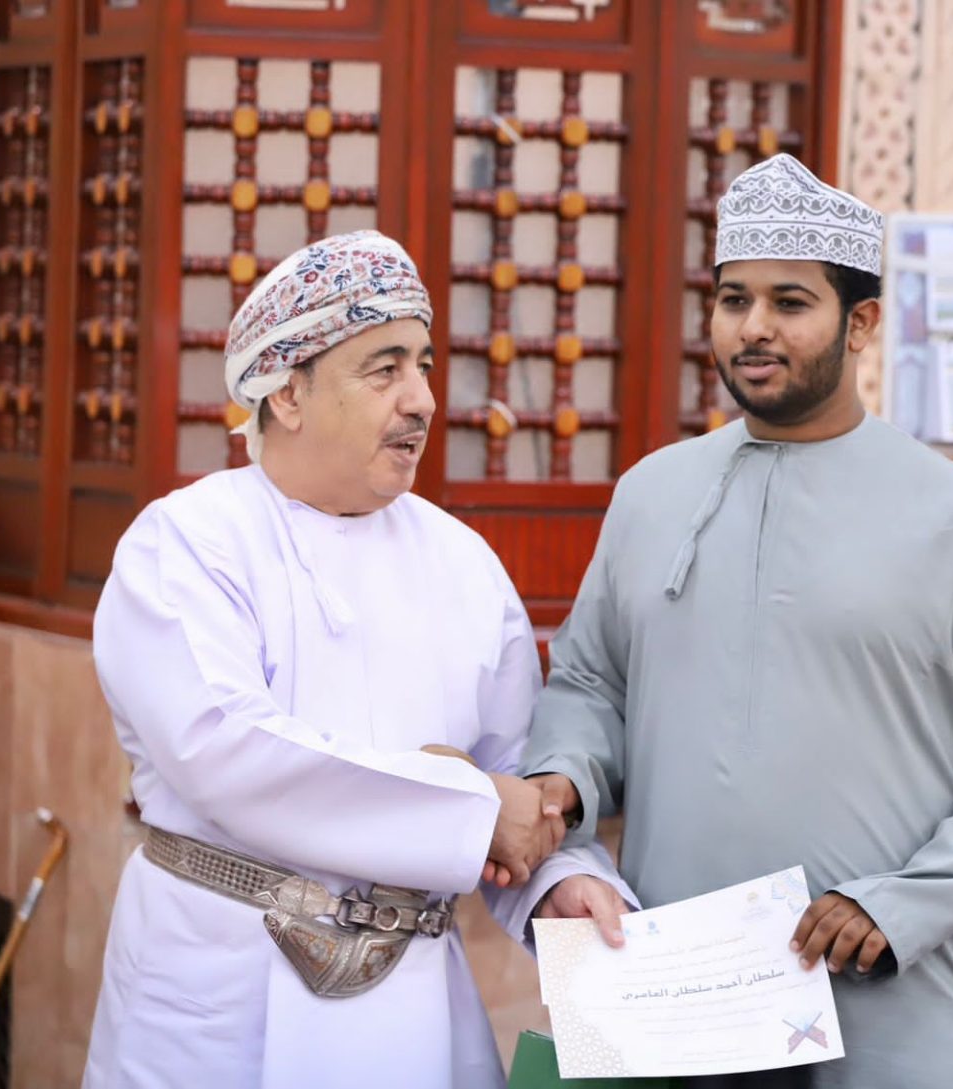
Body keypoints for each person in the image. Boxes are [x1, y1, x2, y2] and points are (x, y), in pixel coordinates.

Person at [520, 156, 953, 1087]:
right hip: (688, 998)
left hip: (907, 1000)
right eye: (733, 299)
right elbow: (590, 683)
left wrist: (903, 903)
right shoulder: (651, 495)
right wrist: (562, 781)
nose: (753, 327)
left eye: (790, 302)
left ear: (861, 323)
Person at [84, 230, 631, 1089]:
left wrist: (556, 877)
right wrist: (472, 811)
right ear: (288, 391)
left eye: (424, 365)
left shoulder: (461, 561)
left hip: (414, 1009)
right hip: (222, 1003)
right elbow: (226, 750)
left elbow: (514, 774)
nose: (422, 400)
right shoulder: (186, 542)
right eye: (384, 370)